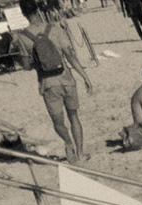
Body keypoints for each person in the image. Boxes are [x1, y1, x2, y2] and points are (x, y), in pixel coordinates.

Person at [16, 0, 92, 164]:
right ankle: (80, 153)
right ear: (38, 9)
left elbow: (26, 67)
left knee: (58, 122)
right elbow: (70, 56)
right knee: (74, 117)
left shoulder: (22, 37)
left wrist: (36, 61)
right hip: (67, 80)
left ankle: (68, 143)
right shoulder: (55, 29)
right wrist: (85, 77)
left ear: (23, 14)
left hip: (48, 85)